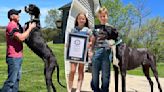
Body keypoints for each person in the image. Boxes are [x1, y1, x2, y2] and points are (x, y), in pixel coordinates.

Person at [1, 9, 36, 92]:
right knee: (11, 81)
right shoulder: (11, 26)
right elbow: (21, 38)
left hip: (18, 56)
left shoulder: (17, 25)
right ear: (11, 16)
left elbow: (23, 34)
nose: (19, 15)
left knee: (17, 79)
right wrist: (30, 28)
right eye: (17, 14)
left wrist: (26, 28)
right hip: (13, 57)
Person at [89, 7, 116, 92]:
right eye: (101, 16)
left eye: (104, 16)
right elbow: (92, 41)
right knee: (95, 74)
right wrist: (90, 51)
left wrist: (112, 44)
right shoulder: (95, 28)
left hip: (107, 53)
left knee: (105, 75)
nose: (103, 18)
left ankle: (104, 90)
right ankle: (96, 90)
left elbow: (117, 41)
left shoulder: (111, 28)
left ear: (107, 16)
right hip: (96, 52)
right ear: (98, 17)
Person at [67, 12, 92, 92]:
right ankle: (70, 88)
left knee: (81, 71)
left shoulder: (88, 30)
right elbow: (70, 40)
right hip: (73, 53)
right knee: (72, 70)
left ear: (85, 20)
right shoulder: (73, 29)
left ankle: (78, 89)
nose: (81, 20)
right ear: (77, 20)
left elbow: (92, 41)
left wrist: (90, 44)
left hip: (83, 54)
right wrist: (68, 44)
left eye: (83, 19)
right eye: (80, 18)